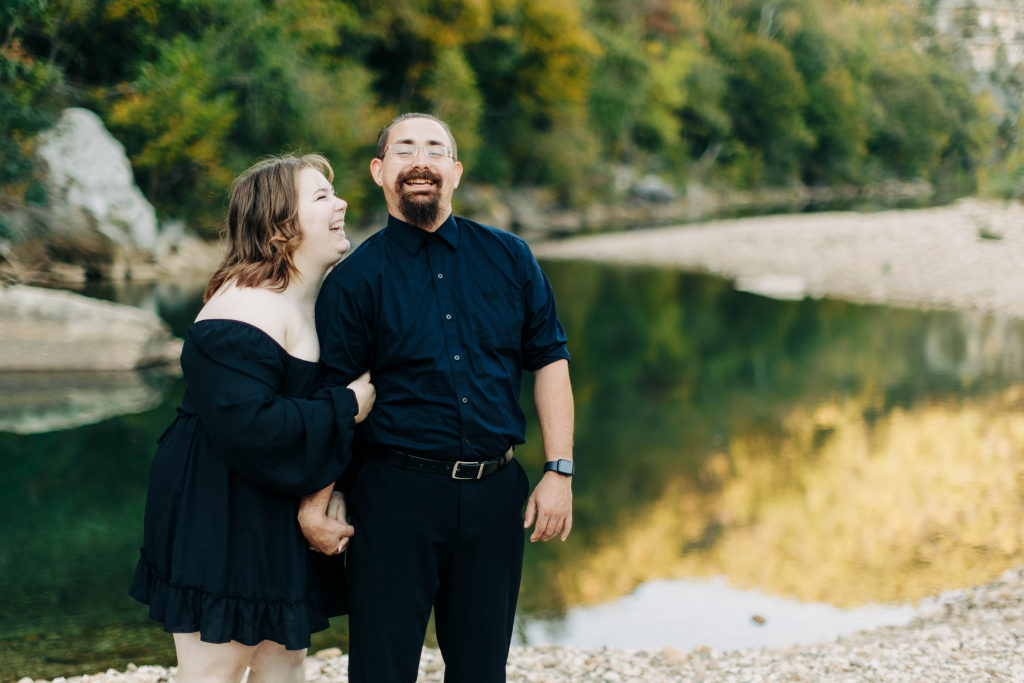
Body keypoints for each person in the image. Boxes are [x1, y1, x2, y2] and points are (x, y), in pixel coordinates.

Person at [305, 113, 575, 683]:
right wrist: (322, 496)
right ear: (380, 172)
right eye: (404, 151)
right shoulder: (353, 280)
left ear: (455, 171)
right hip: (392, 499)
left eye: (434, 150)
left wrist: (560, 471)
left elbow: (549, 359)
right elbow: (335, 399)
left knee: (481, 671)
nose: (420, 161)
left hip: (495, 496)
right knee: (381, 669)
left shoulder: (511, 257)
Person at [129, 154, 375, 683]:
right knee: (216, 667)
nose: (342, 203)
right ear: (282, 226)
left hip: (271, 503)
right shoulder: (242, 310)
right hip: (217, 509)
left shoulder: (317, 300)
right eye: (322, 197)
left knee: (282, 663)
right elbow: (251, 425)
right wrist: (348, 406)